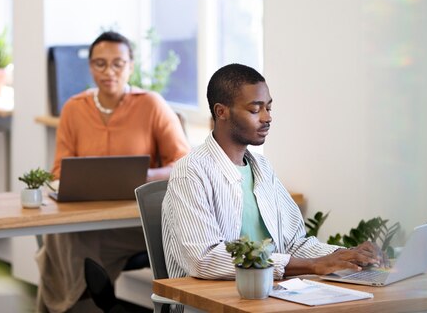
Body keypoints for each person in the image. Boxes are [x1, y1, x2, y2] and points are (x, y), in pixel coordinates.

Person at [162, 63, 383, 282]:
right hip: (212, 301)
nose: (267, 118)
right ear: (222, 112)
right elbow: (205, 260)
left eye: (269, 107)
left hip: (270, 295)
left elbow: (295, 243)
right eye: (255, 109)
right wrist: (314, 265)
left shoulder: (262, 168)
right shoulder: (191, 172)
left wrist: (345, 256)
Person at [37, 31, 190, 313]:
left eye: (118, 63)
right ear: (90, 66)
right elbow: (58, 169)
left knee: (65, 239)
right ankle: (94, 303)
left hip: (136, 223)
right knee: (63, 233)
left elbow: (184, 164)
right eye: (100, 63)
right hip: (86, 216)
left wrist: (143, 178)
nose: (109, 71)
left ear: (131, 66)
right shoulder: (73, 108)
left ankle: (77, 306)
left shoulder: (151, 104)